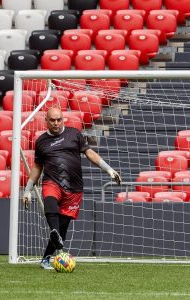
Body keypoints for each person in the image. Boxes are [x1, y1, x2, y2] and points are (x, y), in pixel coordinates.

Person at [22, 107, 122, 270]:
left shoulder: (74, 134)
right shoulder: (41, 141)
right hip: (52, 181)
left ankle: (46, 258)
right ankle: (53, 230)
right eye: (52, 120)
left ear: (63, 119)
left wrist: (108, 169)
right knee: (50, 201)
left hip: (74, 188)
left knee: (62, 229)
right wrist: (27, 189)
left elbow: (90, 153)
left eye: (59, 119)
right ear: (46, 121)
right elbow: (38, 166)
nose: (56, 123)